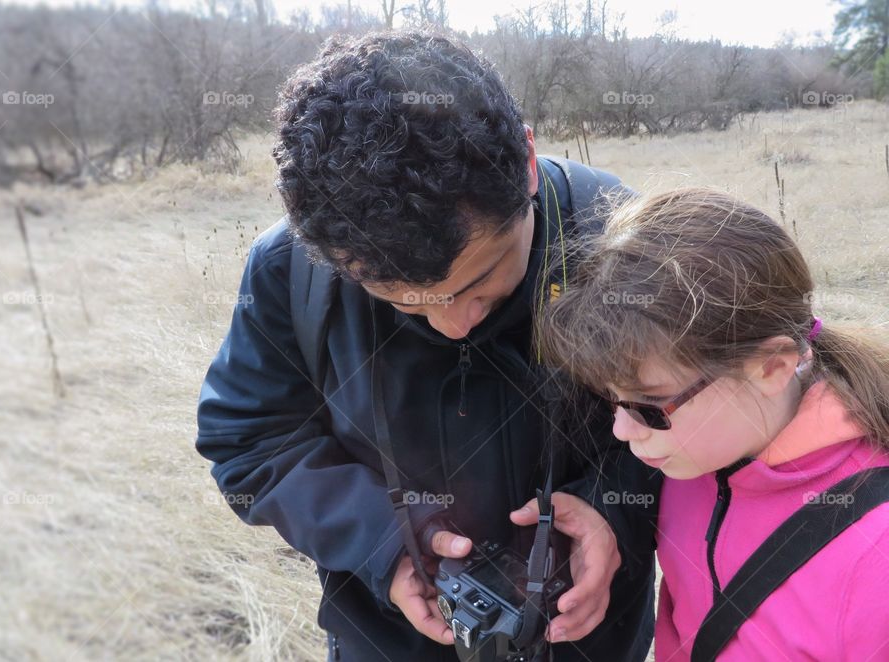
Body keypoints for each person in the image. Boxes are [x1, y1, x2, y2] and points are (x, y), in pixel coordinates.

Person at [195, 31, 658, 661]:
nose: (454, 326)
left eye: (480, 283)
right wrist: (384, 543)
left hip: (587, 639)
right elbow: (248, 440)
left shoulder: (627, 248)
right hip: (384, 641)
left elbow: (705, 416)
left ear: (524, 161)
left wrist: (614, 516)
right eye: (404, 302)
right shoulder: (292, 269)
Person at [537, 187, 889, 659]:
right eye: (611, 400)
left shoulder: (875, 560)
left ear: (772, 367)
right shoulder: (694, 464)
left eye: (650, 405)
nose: (622, 429)